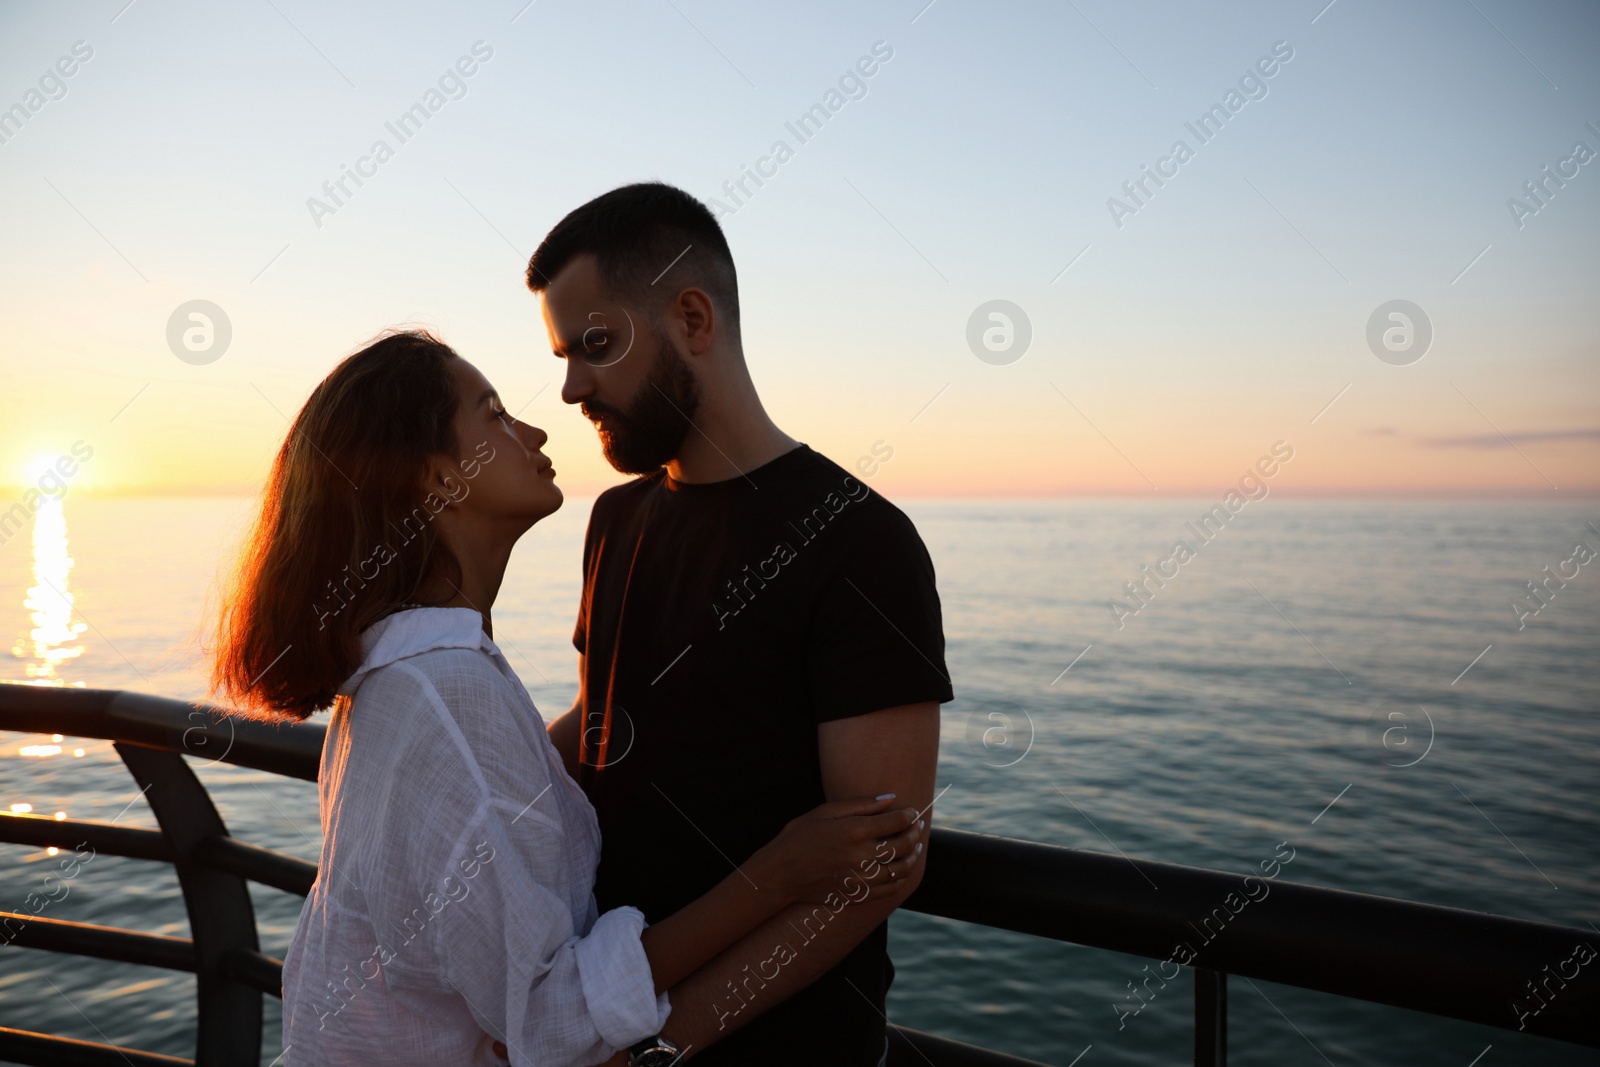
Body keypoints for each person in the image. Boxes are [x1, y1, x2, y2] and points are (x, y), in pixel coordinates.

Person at [210, 330, 925, 1066]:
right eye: (493, 414)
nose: (539, 425)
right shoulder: (450, 696)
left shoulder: (405, 681)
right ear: (437, 477)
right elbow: (550, 1023)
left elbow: (498, 787)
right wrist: (776, 874)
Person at [529, 183, 954, 1067]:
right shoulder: (616, 519)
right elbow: (598, 720)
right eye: (565, 355)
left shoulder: (864, 543)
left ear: (692, 318)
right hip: (606, 1010)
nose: (572, 387)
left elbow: (874, 871)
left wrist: (659, 1047)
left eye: (596, 346)